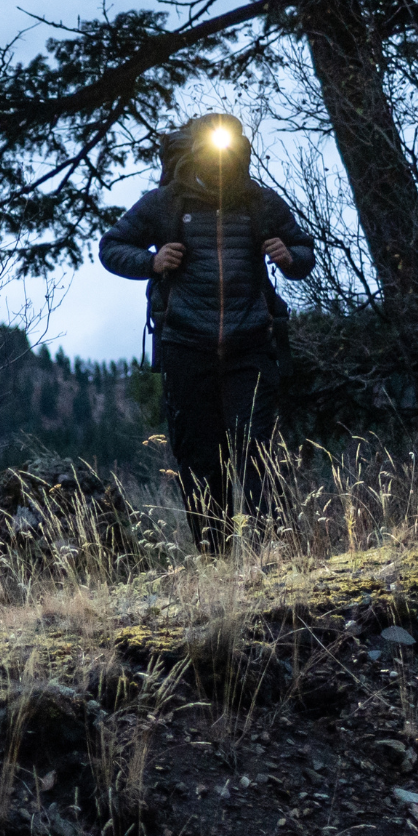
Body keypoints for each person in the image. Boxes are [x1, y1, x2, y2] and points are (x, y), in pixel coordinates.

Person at [100, 112, 315, 548]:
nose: (223, 162)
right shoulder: (165, 202)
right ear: (197, 153)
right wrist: (151, 262)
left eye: (231, 151)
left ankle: (267, 555)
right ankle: (215, 560)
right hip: (185, 346)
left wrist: (289, 257)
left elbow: (303, 249)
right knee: (199, 458)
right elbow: (111, 247)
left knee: (255, 451)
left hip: (251, 344)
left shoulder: (259, 201)